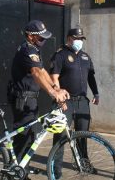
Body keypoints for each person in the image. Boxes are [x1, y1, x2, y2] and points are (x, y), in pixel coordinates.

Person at [10, 20, 69, 178]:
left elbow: (42, 71)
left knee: (29, 137)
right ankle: (17, 175)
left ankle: (19, 172)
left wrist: (56, 88)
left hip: (30, 99)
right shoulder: (27, 49)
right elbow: (36, 72)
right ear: (30, 36)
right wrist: (52, 93)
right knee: (24, 138)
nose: (43, 41)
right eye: (41, 38)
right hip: (23, 99)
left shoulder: (34, 49)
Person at [49, 27, 99, 179]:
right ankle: (55, 172)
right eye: (77, 38)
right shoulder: (60, 55)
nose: (79, 41)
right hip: (66, 103)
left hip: (82, 102)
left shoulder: (85, 57)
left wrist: (96, 93)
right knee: (60, 137)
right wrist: (58, 97)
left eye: (81, 39)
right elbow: (54, 77)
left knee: (82, 135)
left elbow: (91, 77)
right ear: (69, 38)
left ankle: (83, 163)